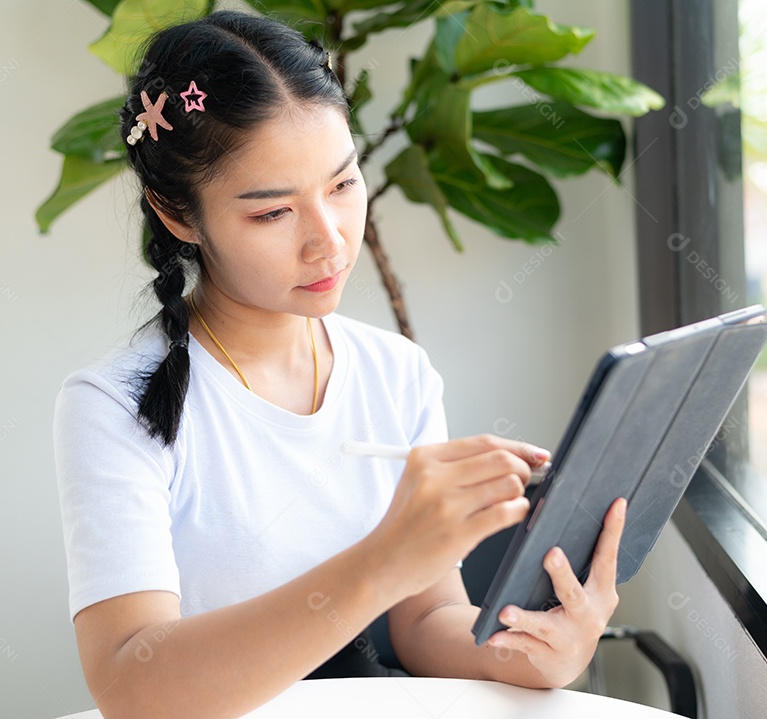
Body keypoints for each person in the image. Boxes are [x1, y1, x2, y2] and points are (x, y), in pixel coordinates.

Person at [53, 10, 627, 719]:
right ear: (177, 214)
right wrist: (381, 560)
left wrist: (539, 651)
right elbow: (131, 686)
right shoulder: (114, 404)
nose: (328, 242)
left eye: (343, 184)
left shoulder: (397, 372)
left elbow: (425, 622)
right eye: (272, 213)